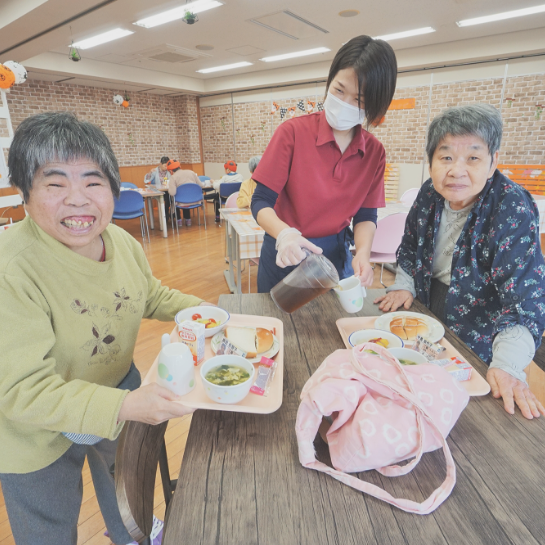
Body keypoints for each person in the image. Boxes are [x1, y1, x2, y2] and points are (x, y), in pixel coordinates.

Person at [0, 112, 213, 545]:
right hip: (33, 429)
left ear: (113, 188)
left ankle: (131, 533)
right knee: (47, 526)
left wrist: (212, 311)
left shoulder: (121, 242)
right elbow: (24, 391)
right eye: (55, 183)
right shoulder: (12, 269)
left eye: (93, 182)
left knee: (126, 492)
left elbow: (149, 295)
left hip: (116, 389)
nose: (78, 200)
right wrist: (127, 407)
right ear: (25, 193)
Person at [374, 103, 545, 420]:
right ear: (432, 160)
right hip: (427, 310)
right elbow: (410, 245)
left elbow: (523, 298)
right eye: (446, 157)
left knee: (469, 410)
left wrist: (507, 365)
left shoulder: (512, 206)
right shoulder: (430, 193)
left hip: (484, 327)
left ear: (493, 161)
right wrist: (404, 284)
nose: (456, 170)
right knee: (416, 394)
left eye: (473, 158)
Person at [250, 35, 397, 293]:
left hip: (333, 256)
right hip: (287, 250)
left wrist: (362, 253)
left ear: (375, 106)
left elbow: (366, 214)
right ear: (329, 82)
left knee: (327, 327)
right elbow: (260, 201)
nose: (344, 104)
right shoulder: (292, 133)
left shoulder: (373, 152)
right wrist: (285, 235)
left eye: (359, 100)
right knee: (278, 326)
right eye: (339, 90)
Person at [165, 160, 205, 226]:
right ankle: (188, 219)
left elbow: (172, 193)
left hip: (182, 203)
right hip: (195, 200)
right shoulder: (191, 172)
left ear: (170, 171)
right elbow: (201, 185)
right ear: (180, 167)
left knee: (175, 198)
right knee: (186, 196)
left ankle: (179, 220)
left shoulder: (173, 177)